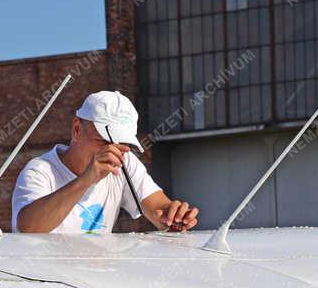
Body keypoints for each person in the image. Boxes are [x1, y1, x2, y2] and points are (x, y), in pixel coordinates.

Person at [12, 91, 199, 234]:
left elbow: (159, 209)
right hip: (47, 281)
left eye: (122, 144)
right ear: (77, 129)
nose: (112, 152)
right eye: (103, 141)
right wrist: (86, 180)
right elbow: (28, 227)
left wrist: (174, 217)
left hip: (93, 280)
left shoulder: (125, 162)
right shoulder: (40, 171)